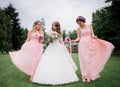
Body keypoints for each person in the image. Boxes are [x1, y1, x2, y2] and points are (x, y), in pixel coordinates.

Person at [72, 16, 114, 82]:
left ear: (83, 21)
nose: (79, 24)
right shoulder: (78, 29)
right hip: (83, 44)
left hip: (90, 43)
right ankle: (84, 76)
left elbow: (92, 34)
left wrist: (94, 36)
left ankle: (90, 75)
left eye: (80, 23)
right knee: (84, 60)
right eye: (78, 23)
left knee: (90, 60)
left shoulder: (89, 26)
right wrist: (74, 40)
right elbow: (79, 37)